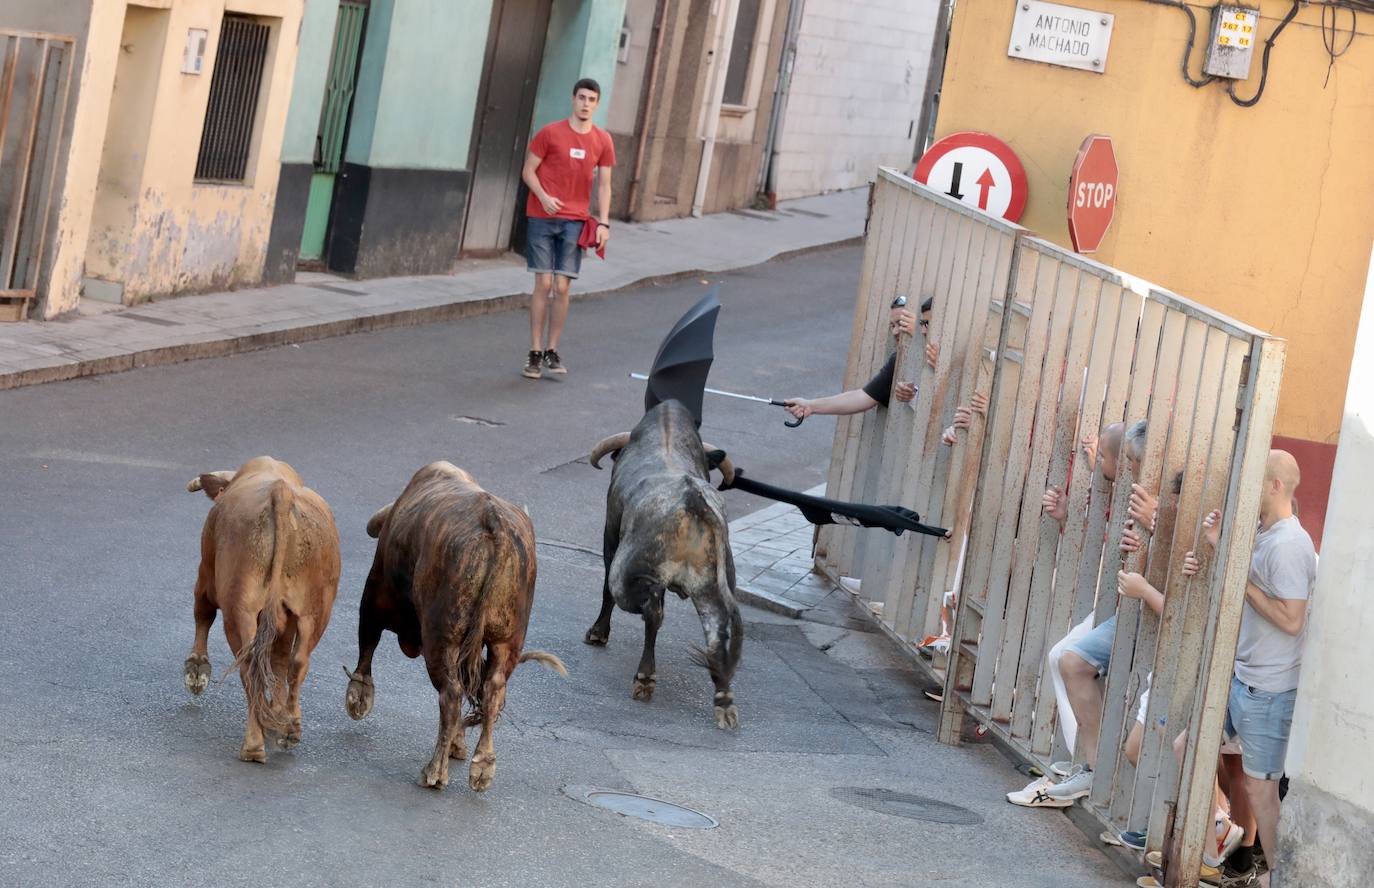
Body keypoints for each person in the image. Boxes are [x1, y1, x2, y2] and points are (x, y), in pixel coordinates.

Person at [1174, 451, 1316, 888]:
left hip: (1271, 688)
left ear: (1275, 486)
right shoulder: (1261, 532)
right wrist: (1218, 550)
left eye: (1254, 480)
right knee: (1188, 747)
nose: (1243, 488)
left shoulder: (1291, 545)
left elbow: (1292, 621)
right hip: (1240, 677)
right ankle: (1219, 827)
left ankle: (1278, 875)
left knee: (1260, 791)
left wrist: (1240, 577)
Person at [519, 77, 614, 379]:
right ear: (573, 100)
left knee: (562, 286)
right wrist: (544, 197)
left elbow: (605, 185)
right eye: (582, 97)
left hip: (576, 220)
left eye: (592, 99)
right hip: (542, 217)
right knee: (543, 284)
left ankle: (552, 350)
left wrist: (604, 223)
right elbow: (527, 171)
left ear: (597, 104)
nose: (586, 104)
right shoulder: (550, 133)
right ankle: (534, 352)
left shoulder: (602, 140)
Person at [783, 296, 935, 420]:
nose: (895, 332)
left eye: (901, 324)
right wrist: (810, 406)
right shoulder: (899, 359)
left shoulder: (942, 354)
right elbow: (862, 397)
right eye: (892, 325)